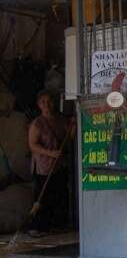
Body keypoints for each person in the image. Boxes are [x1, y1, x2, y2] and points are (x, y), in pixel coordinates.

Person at [27, 90, 74, 236]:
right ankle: (38, 227)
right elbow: (32, 145)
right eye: (43, 102)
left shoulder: (60, 120)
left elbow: (71, 136)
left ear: (53, 103)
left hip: (59, 165)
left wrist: (74, 124)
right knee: (43, 196)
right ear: (39, 105)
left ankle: (58, 225)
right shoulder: (37, 123)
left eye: (49, 101)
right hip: (43, 166)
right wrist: (51, 153)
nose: (46, 104)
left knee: (59, 194)